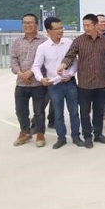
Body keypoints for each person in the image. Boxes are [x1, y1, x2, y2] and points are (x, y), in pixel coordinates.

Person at [60, 14, 105, 148]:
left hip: (101, 83)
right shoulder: (79, 40)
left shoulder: (104, 41)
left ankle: (98, 134)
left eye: (88, 25)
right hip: (84, 84)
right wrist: (63, 65)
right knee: (84, 112)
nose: (86, 28)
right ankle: (87, 136)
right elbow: (70, 55)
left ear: (96, 25)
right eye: (84, 25)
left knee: (99, 111)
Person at [32, 16, 81, 149]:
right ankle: (61, 138)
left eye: (61, 28)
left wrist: (71, 74)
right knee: (58, 114)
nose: (61, 31)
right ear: (49, 31)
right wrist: (41, 79)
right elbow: (36, 66)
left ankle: (76, 136)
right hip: (54, 85)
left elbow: (74, 61)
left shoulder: (68, 42)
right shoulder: (43, 47)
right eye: (57, 29)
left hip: (70, 82)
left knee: (74, 112)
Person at [10, 13, 48, 147]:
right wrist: (20, 73)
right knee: (20, 110)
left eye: (31, 22)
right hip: (21, 83)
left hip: (38, 83)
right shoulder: (17, 42)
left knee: (39, 111)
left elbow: (46, 61)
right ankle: (25, 132)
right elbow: (13, 59)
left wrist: (31, 72)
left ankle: (40, 134)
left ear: (37, 24)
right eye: (25, 23)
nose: (28, 25)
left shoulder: (44, 41)